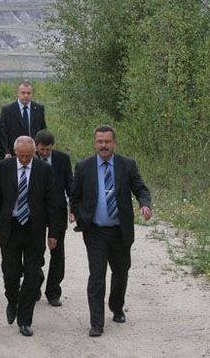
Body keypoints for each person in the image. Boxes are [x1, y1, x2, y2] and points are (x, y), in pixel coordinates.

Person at [69, 125, 152, 337]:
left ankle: (116, 306)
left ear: (114, 143)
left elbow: (140, 188)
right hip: (95, 231)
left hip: (120, 230)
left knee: (121, 271)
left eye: (107, 142)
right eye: (100, 142)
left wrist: (145, 204)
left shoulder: (127, 165)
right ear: (94, 143)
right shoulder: (84, 166)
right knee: (97, 276)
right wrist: (76, 213)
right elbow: (75, 195)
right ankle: (96, 323)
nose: (104, 145)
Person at [0, 136, 60, 337]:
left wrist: (53, 232)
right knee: (10, 274)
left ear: (35, 152)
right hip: (10, 228)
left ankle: (25, 319)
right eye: (22, 156)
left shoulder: (44, 170)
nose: (26, 159)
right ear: (15, 152)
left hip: (34, 229)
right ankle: (12, 300)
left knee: (31, 275)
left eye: (29, 156)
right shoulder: (3, 167)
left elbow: (52, 203)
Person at [34, 129, 73, 307]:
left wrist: (74, 208)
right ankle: (35, 284)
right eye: (41, 149)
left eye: (47, 150)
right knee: (35, 250)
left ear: (53, 146)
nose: (44, 153)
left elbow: (70, 186)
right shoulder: (30, 158)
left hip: (57, 211)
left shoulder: (62, 159)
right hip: (36, 212)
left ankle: (53, 291)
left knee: (57, 252)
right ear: (36, 146)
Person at [1, 81, 47, 155]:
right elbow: (3, 133)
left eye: (28, 93)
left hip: (34, 152)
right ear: (17, 94)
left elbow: (42, 130)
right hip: (14, 152)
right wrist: (6, 151)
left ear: (32, 94)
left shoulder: (39, 109)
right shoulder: (7, 110)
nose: (26, 95)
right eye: (23, 93)